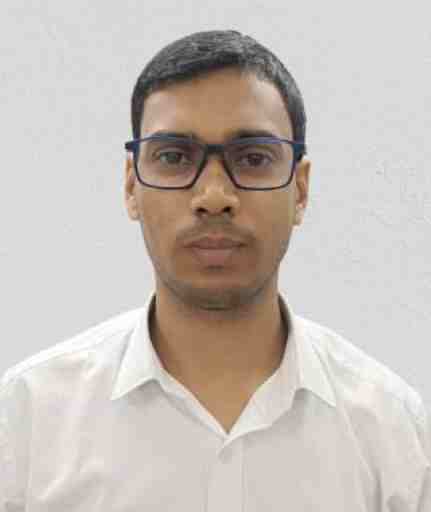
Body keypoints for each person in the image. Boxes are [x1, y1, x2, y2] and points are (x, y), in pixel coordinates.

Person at [1, 30, 429, 511]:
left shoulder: (392, 432)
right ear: (131, 185)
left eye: (253, 159)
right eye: (173, 157)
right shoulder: (29, 421)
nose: (214, 197)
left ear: (301, 190)